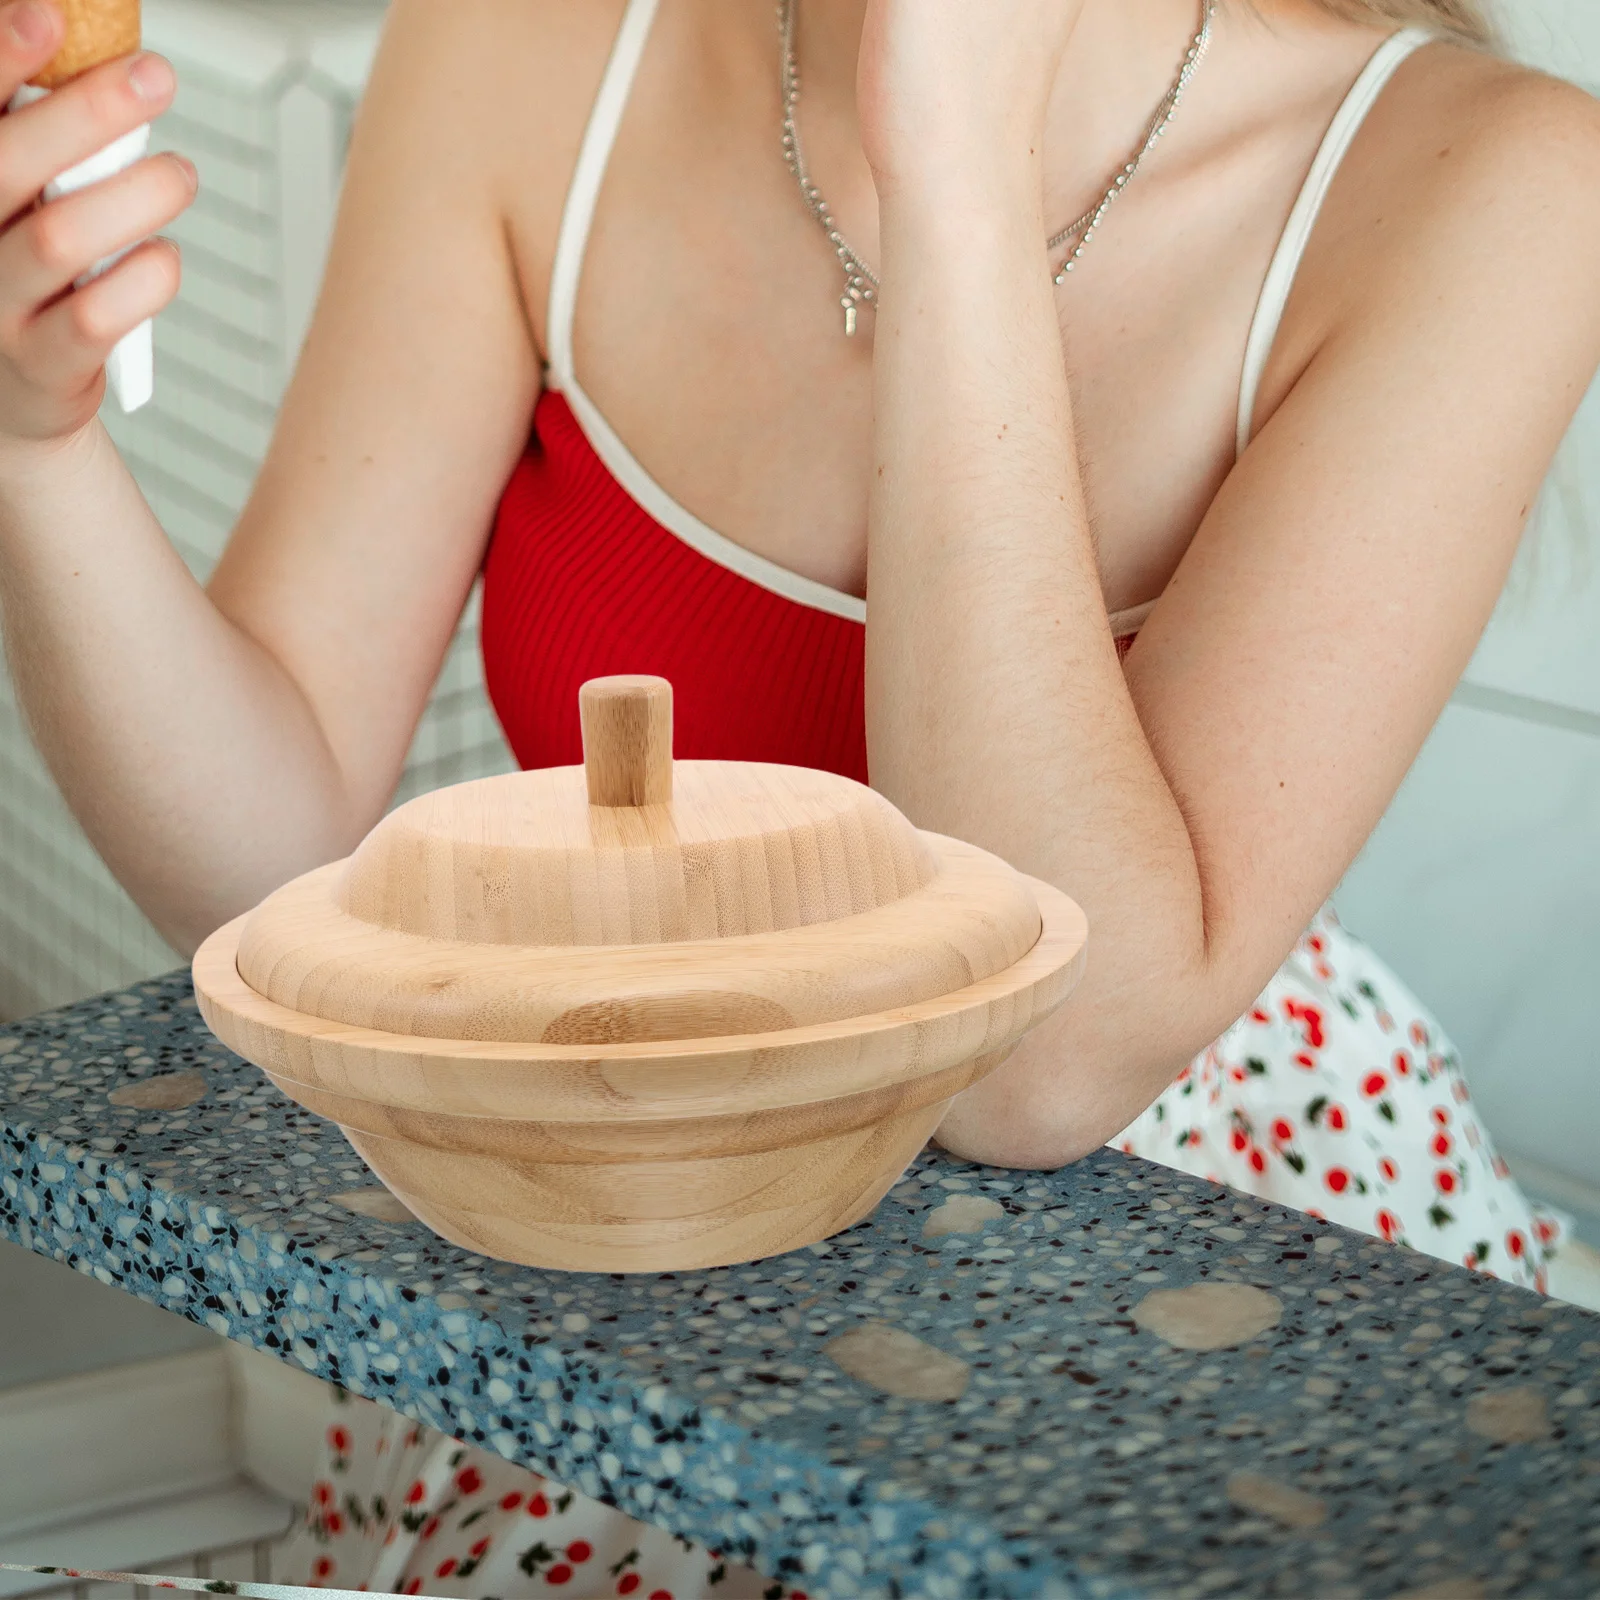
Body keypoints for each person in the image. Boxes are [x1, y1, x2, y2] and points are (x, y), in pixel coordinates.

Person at [1, 0, 1595, 1591]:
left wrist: (958, 170)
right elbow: (278, 872)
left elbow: (1039, 1076)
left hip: (1180, 1260)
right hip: (642, 1223)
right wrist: (33, 445)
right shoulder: (525, 42)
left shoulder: (1495, 184)